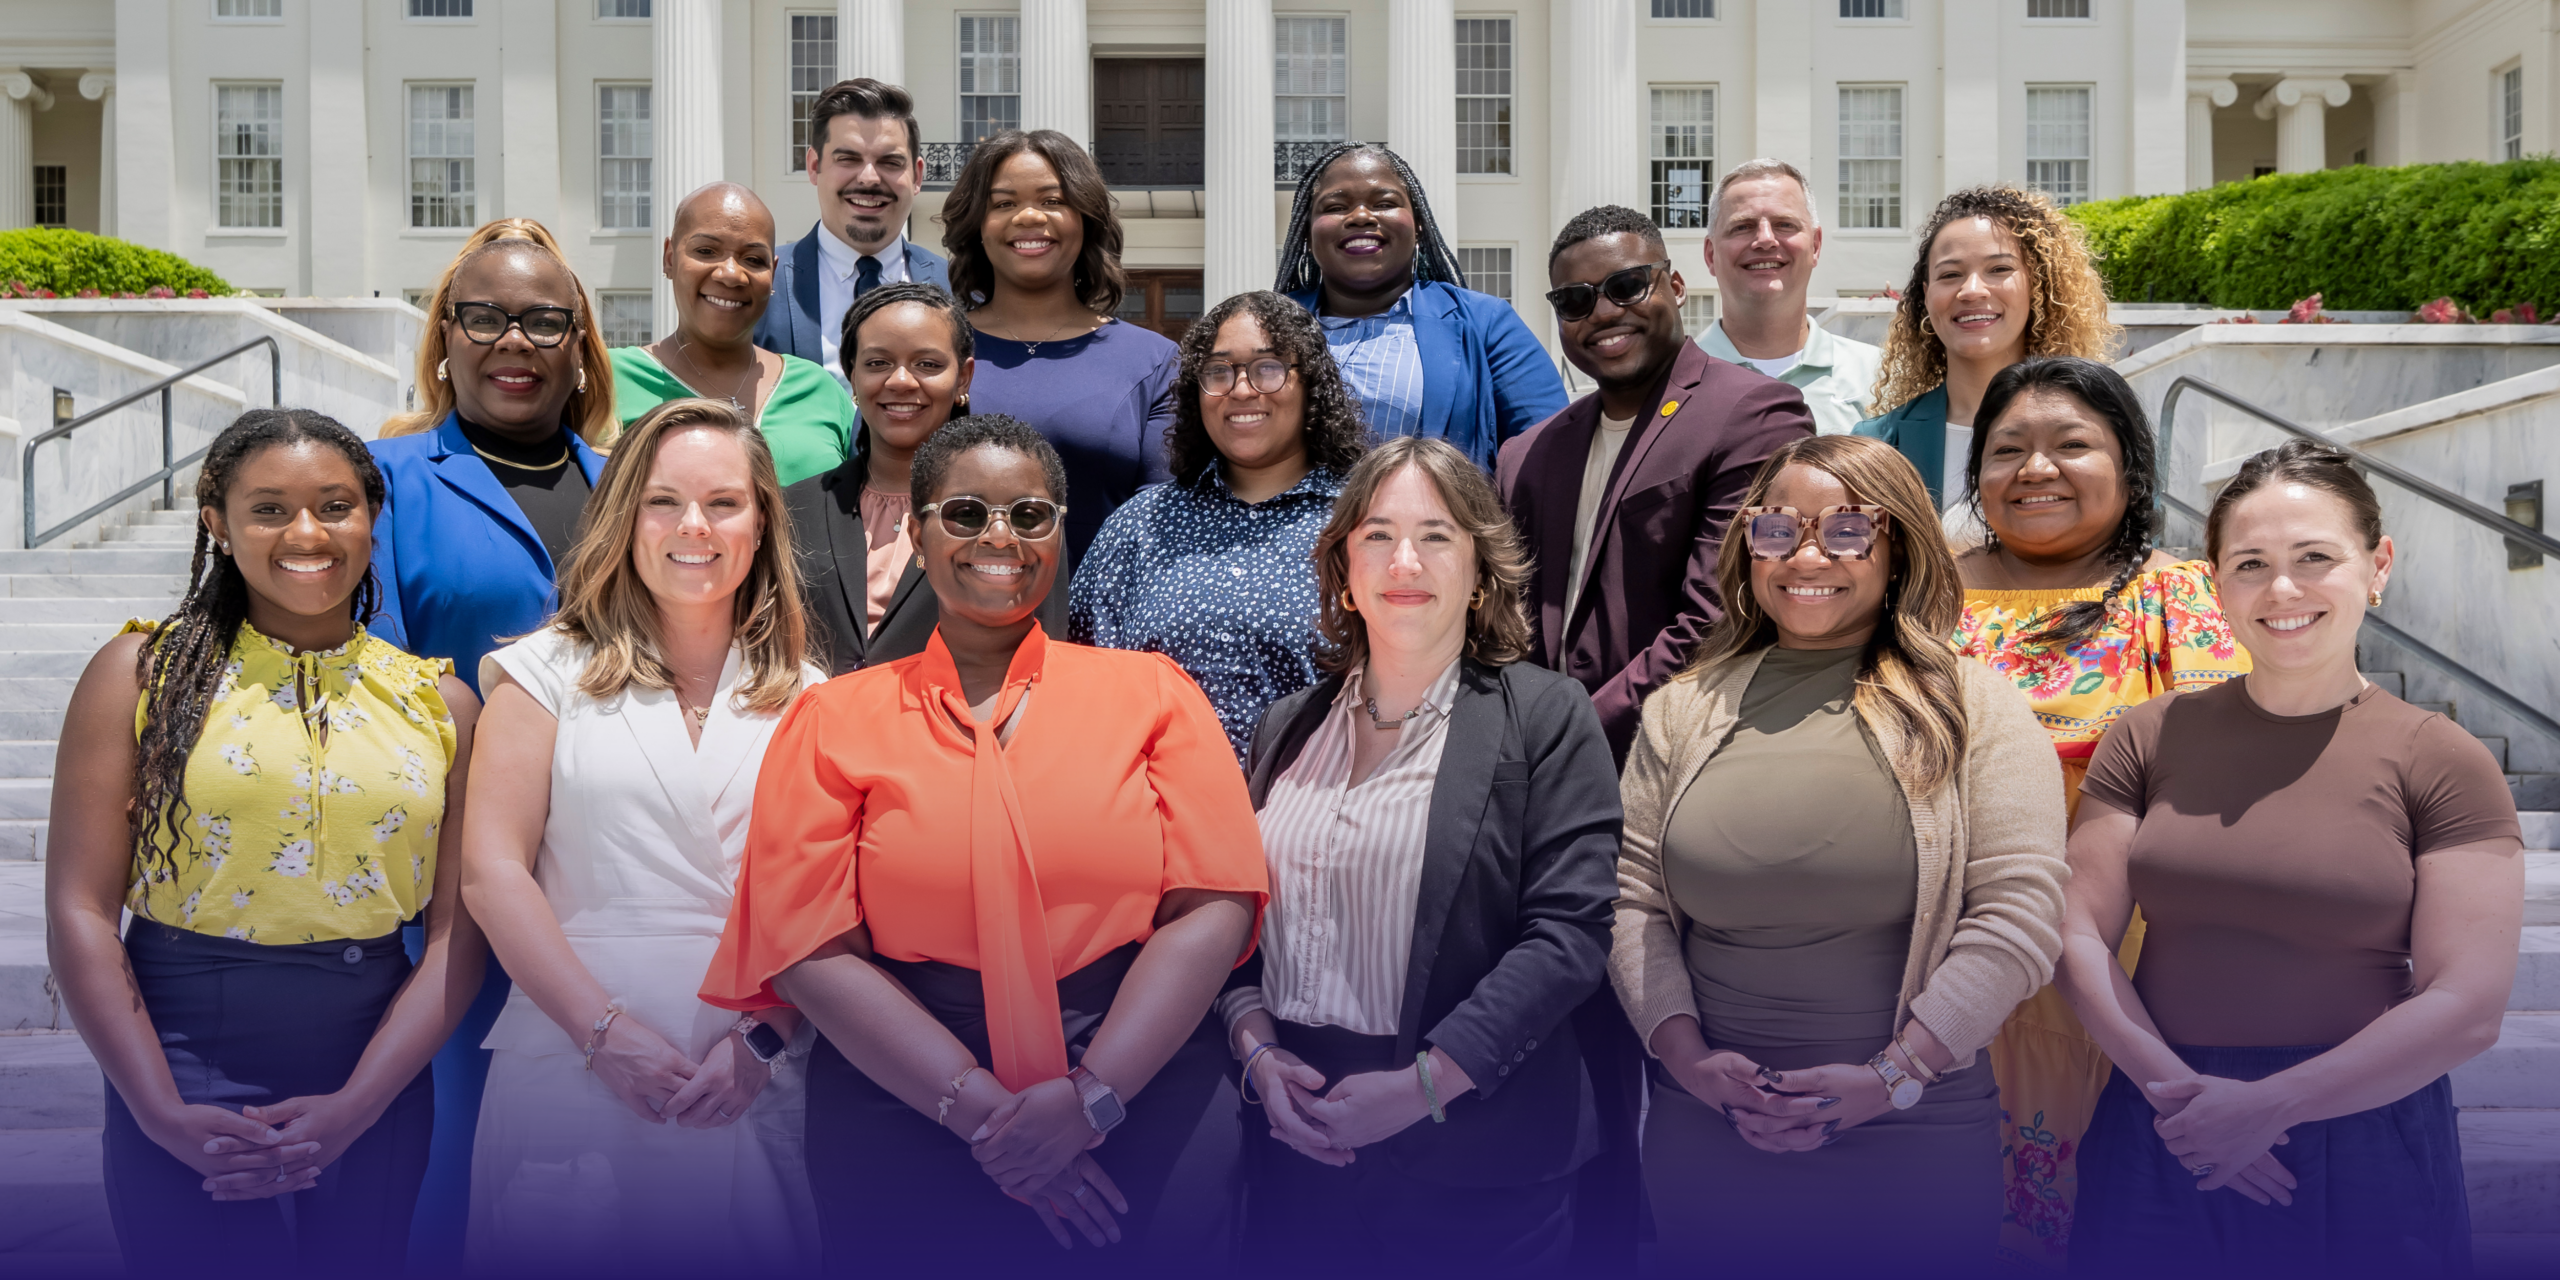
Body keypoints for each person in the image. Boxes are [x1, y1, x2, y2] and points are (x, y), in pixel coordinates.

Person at [702, 414, 1269, 1271]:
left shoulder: (1153, 692)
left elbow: (1213, 904)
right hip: (904, 1100)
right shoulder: (832, 718)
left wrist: (1090, 1100)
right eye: (965, 513)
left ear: (1059, 531)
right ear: (916, 531)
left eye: (1030, 515)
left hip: (1141, 1081)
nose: (999, 536)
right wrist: (983, 1116)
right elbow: (807, 944)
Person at [2059, 439, 2522, 1274]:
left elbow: (2469, 1002)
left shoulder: (2444, 758)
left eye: (2315, 557)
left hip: (2364, 1135)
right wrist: (2185, 1103)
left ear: (2377, 566)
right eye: (2251, 563)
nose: (2282, 589)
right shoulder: (2149, 735)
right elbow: (2078, 938)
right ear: (2216, 581)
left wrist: (2269, 1108)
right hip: (2162, 1118)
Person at [1611, 433, 2071, 1271]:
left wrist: (1897, 1073)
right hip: (1711, 1130)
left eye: (1849, 530)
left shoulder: (1976, 707)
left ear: (1899, 549)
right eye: (1777, 529)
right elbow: (1632, 902)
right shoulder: (1681, 710)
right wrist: (1687, 1060)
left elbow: (2020, 916)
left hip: (1911, 1127)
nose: (1807, 554)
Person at [46, 410, 484, 1270]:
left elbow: (456, 933)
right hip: (179, 1058)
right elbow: (78, 907)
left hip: (374, 1065)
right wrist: (157, 1108)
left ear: (372, 516)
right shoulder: (138, 673)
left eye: (335, 504)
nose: (308, 533)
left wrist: (359, 1105)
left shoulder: (440, 704)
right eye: (271, 509)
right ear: (218, 523)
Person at [1218, 435, 1622, 1272]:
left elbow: (1570, 936)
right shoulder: (1285, 725)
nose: (1406, 559)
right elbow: (1230, 920)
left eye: (1437, 535)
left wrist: (1425, 1084)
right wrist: (1255, 1050)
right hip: (1292, 1134)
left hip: (1477, 1151)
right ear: (1343, 568)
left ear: (1480, 571)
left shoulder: (1546, 716)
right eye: (1377, 534)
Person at [461, 398, 823, 1271]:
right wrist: (605, 1036)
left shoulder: (811, 694)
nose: (692, 526)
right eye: (663, 501)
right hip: (572, 1053)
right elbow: (490, 873)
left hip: (745, 1067)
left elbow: (819, 900)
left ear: (762, 519)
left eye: (724, 502)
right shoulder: (543, 671)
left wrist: (763, 1041)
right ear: (625, 517)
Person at [1950, 357, 2251, 1267]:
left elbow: (2228, 790)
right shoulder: (1921, 597)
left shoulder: (2180, 598)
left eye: (2071, 444)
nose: (2035, 469)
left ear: (2130, 465)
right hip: (1948, 969)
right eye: (2007, 450)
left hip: (2125, 978)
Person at [366, 218, 614, 1266]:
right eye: (485, 315)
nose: (514, 340)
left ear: (578, 344)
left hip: (613, 873)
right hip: (451, 887)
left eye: (543, 319)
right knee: (459, 1165)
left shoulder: (630, 483)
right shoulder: (384, 478)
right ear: (445, 337)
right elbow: (367, 673)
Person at [1498, 204, 1816, 759]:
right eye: (1575, 300)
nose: (1602, 312)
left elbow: (1721, 614)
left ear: (1675, 285)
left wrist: (1572, 735)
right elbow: (1502, 619)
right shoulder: (1526, 453)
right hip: (1534, 766)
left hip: (1684, 758)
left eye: (1625, 286)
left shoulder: (1753, 413)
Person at [1071, 291, 1371, 758]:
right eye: (1218, 371)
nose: (1242, 389)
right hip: (1157, 814)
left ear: (1310, 383)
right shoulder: (1140, 524)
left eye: (1268, 367)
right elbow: (1081, 678)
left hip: (1314, 813)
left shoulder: (1365, 523)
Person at [788, 281, 1066, 675]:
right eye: (878, 362)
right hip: (807, 729)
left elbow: (1046, 653)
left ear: (964, 378)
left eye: (928, 364)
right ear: (852, 376)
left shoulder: (1022, 514)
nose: (901, 380)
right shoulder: (792, 507)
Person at [941, 128, 1177, 560]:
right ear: (978, 225)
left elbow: (1166, 518)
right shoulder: (936, 352)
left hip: (1099, 618)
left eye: (1053, 201)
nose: (1029, 217)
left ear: (1086, 220)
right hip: (951, 615)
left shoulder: (1154, 362)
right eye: (1004, 203)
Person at [1275, 142, 1568, 472]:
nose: (1360, 216)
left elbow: (1552, 453)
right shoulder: (1266, 327)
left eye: (1384, 203)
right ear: (1306, 230)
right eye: (1335, 206)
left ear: (1418, 225)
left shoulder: (1486, 323)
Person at [1855, 185, 2117, 514]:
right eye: (1950, 274)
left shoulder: (2106, 430)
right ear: (1926, 295)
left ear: (2039, 284)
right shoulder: (1877, 442)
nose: (1972, 290)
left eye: (1999, 269)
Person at [612, 182, 856, 487]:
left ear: (772, 273)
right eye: (706, 251)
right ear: (670, 258)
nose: (730, 274)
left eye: (753, 259)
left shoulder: (819, 390)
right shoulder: (607, 381)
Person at [756, 78, 951, 392]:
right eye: (848, 159)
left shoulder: (958, 289)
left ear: (916, 175)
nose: (870, 178)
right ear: (814, 166)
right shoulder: (762, 283)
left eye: (890, 162)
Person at [1695, 160, 1883, 435]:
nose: (1765, 239)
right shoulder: (1669, 382)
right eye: (1742, 227)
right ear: (1711, 255)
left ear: (1816, 245)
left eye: (1784, 224)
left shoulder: (1880, 376)